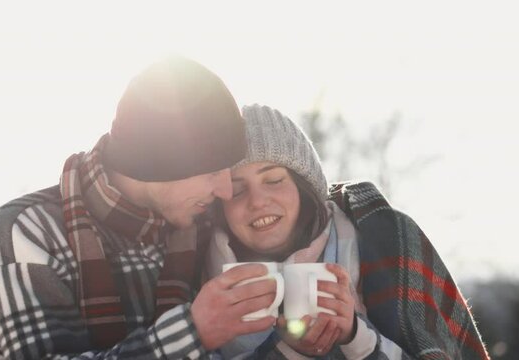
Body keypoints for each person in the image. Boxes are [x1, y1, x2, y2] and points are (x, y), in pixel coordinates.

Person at [0, 57, 282, 359]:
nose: (226, 191)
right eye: (213, 172)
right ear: (158, 165)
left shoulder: (206, 225)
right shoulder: (29, 229)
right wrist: (192, 333)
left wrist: (296, 348)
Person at [204, 104, 490, 359]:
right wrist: (284, 350)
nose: (257, 201)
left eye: (274, 180)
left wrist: (356, 337)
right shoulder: (193, 270)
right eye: (237, 189)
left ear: (305, 187)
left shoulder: (385, 240)